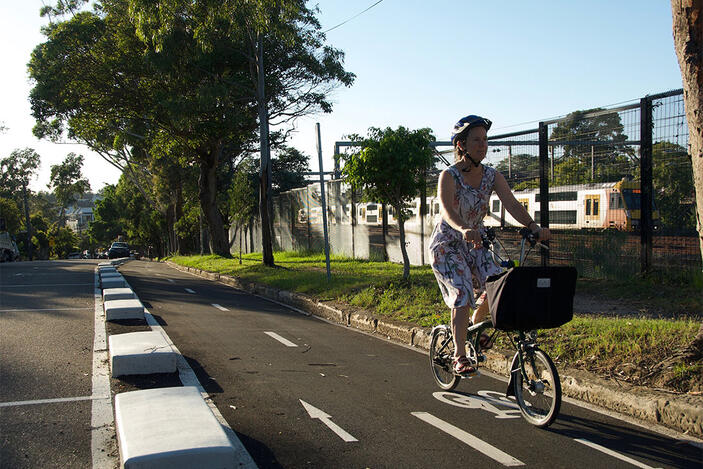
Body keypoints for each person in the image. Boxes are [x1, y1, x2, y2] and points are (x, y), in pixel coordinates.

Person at [429, 115, 551, 375]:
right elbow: (448, 211)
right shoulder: (448, 176)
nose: (482, 145)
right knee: (462, 293)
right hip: (448, 245)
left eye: (485, 140)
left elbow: (512, 204)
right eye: (476, 140)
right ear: (461, 144)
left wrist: (533, 227)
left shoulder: (491, 176)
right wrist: (464, 229)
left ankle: (477, 323)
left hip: (476, 243)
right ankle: (459, 356)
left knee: (500, 283)